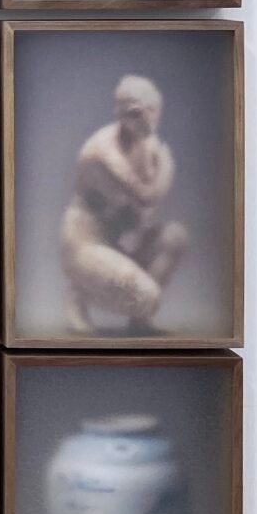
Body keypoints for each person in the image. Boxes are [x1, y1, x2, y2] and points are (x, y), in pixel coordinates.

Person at [60, 74, 189, 332]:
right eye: (139, 112)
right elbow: (146, 196)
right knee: (147, 299)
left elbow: (143, 207)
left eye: (153, 110)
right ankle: (79, 293)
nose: (149, 119)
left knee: (175, 236)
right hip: (86, 244)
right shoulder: (101, 151)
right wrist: (166, 164)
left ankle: (139, 321)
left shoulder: (147, 143)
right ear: (123, 113)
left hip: (116, 243)